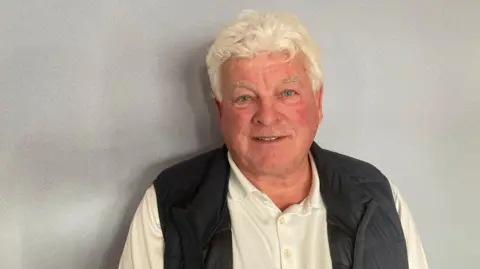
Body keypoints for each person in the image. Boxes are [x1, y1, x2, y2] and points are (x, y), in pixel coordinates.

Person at [118, 10, 429, 269]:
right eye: (244, 98)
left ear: (317, 104)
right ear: (220, 110)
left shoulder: (378, 198)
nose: (267, 116)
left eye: (287, 93)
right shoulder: (168, 203)